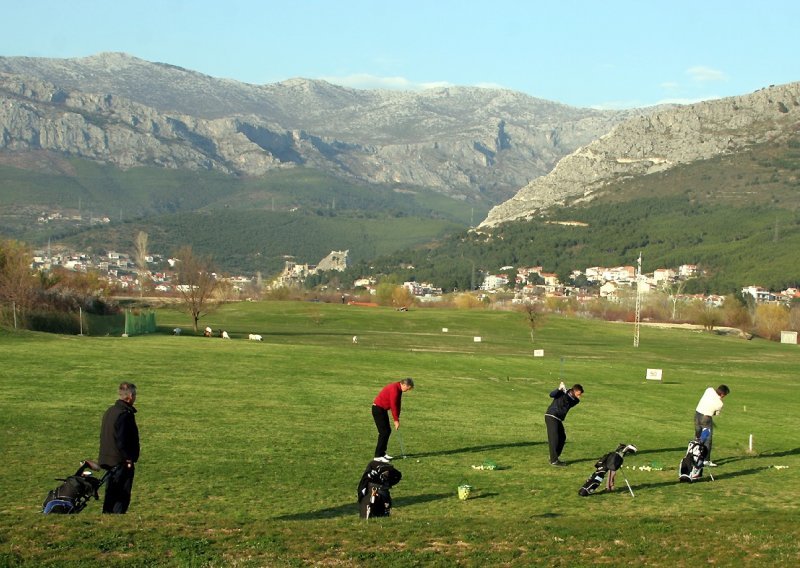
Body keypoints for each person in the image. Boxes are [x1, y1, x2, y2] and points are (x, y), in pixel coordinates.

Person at [98, 381, 140, 514]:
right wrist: (128, 458)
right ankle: (116, 520)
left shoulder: (110, 411)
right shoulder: (124, 414)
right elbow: (122, 440)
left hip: (107, 458)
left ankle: (107, 518)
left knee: (111, 492)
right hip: (120, 461)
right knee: (121, 494)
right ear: (130, 396)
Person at [372, 377, 414, 463]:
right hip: (378, 409)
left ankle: (382, 453)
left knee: (387, 431)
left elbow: (398, 404)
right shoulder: (394, 389)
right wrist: (395, 420)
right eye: (407, 388)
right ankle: (378, 456)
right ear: (404, 384)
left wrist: (397, 418)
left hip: (382, 410)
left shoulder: (399, 389)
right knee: (384, 432)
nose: (407, 390)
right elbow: (393, 405)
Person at [544, 381, 584, 466]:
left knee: (562, 437)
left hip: (558, 418)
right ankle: (554, 460)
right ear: (574, 390)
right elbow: (551, 395)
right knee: (554, 438)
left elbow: (568, 401)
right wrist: (559, 389)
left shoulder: (576, 400)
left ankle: (554, 457)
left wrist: (565, 392)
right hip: (551, 416)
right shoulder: (562, 392)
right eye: (579, 393)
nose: (579, 396)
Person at [694, 384, 730, 467]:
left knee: (698, 437)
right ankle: (706, 460)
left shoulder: (709, 390)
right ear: (722, 394)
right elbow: (715, 413)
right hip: (706, 419)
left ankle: (695, 455)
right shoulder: (720, 403)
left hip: (697, 415)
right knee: (707, 439)